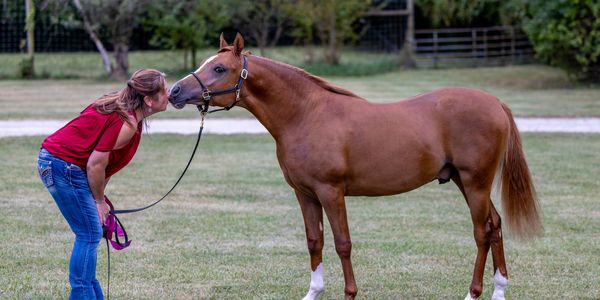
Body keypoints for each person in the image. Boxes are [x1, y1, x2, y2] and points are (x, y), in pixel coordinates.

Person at [37, 69, 168, 299]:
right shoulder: (126, 123)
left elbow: (104, 166)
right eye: (164, 90)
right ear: (148, 100)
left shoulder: (127, 115)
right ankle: (81, 294)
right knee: (88, 234)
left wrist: (101, 199)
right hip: (63, 166)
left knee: (91, 232)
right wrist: (98, 201)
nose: (169, 93)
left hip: (57, 162)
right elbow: (95, 164)